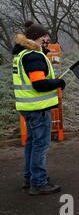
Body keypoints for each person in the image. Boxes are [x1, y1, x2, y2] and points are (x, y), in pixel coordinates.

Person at [12, 21, 66, 196]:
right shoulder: (33, 56)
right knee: (40, 146)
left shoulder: (22, 54)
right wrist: (58, 82)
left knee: (31, 144)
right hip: (38, 109)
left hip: (27, 107)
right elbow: (39, 84)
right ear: (35, 38)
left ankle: (30, 178)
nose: (47, 40)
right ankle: (38, 183)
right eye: (44, 37)